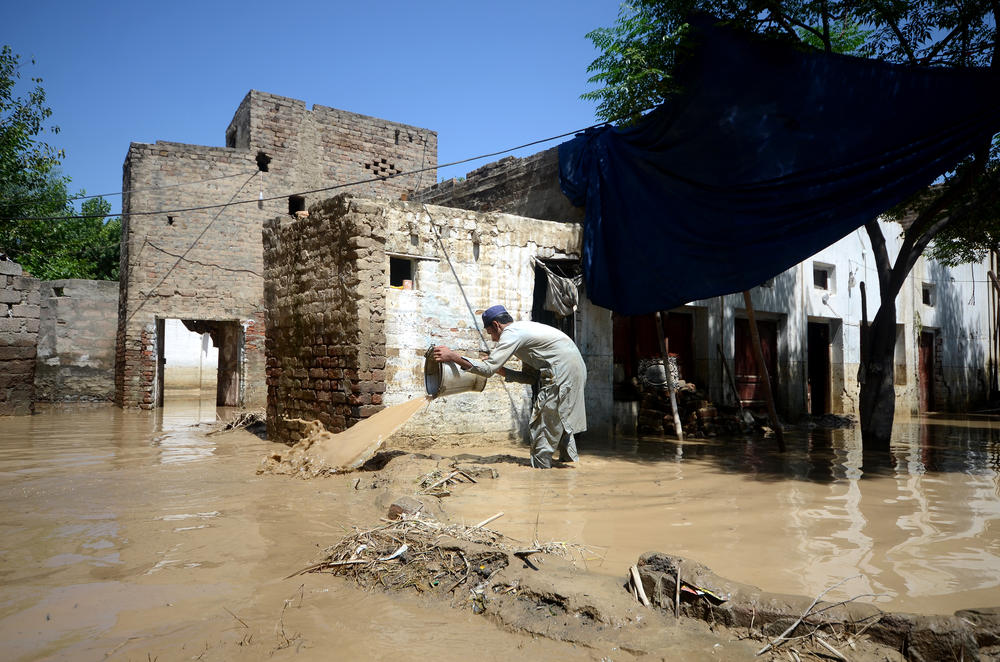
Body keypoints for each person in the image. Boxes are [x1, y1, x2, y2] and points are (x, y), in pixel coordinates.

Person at [432, 305, 587, 468]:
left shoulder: (511, 334)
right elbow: (531, 378)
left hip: (562, 373)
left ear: (496, 325)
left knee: (542, 425)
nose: (492, 339)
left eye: (490, 332)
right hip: (575, 369)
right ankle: (566, 473)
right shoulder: (524, 332)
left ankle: (542, 476)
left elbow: (487, 370)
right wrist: (502, 370)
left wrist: (453, 356)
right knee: (559, 418)